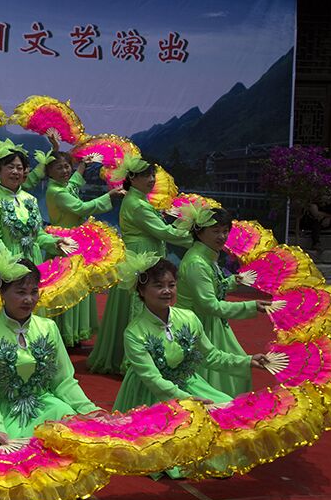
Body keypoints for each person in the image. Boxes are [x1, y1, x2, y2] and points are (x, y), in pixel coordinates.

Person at [0, 251, 99, 444]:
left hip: (46, 407)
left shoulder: (48, 328)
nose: (29, 299)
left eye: (34, 292)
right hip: (4, 413)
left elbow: (64, 381)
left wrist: (89, 409)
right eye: (20, 292)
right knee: (15, 450)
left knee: (72, 428)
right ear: (1, 292)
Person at [112, 255, 268, 413]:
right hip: (149, 393)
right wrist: (186, 399)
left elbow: (210, 356)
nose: (167, 291)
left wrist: (247, 361)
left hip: (188, 385)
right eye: (158, 286)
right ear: (141, 290)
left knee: (229, 409)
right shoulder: (134, 333)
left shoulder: (188, 318)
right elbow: (152, 379)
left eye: (171, 285)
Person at [87, 156, 192, 375]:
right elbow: (164, 232)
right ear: (132, 178)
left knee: (138, 302)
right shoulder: (137, 204)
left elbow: (158, 228)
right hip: (141, 256)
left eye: (152, 174)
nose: (151, 179)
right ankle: (136, 359)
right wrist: (194, 235)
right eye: (146, 175)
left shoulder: (138, 201)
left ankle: (134, 354)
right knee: (140, 304)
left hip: (142, 253)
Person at [174, 204, 274, 397]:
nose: (222, 236)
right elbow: (209, 305)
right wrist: (251, 306)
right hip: (197, 325)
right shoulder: (197, 263)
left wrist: (233, 281)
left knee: (230, 369)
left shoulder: (207, 255)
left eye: (225, 231)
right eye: (215, 231)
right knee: (217, 372)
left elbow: (213, 288)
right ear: (199, 232)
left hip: (210, 322)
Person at [44, 150, 124, 347]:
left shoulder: (62, 187)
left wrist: (82, 166)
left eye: (66, 166)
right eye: (59, 167)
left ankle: (72, 334)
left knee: (74, 285)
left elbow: (73, 184)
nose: (65, 171)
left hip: (73, 241)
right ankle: (66, 334)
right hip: (64, 244)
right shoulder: (57, 192)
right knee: (67, 287)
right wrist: (109, 195)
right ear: (49, 172)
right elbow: (81, 208)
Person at [0, 139, 70, 265]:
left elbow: (38, 235)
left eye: (19, 168)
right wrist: (15, 263)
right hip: (8, 263)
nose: (15, 172)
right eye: (10, 167)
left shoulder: (30, 199)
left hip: (34, 261)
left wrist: (55, 243)